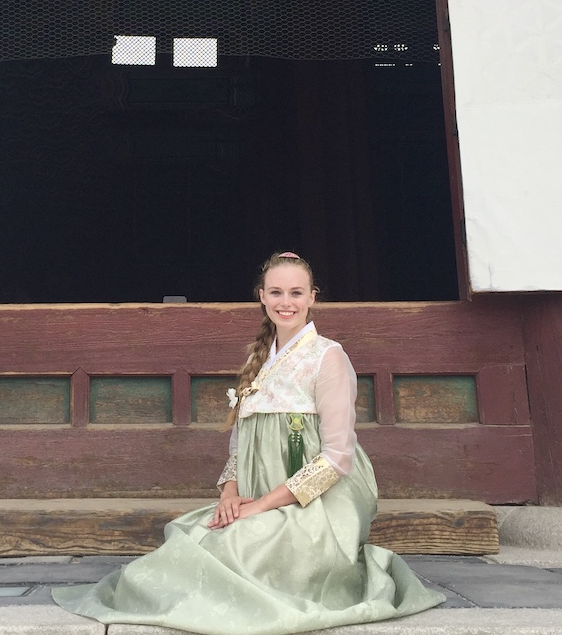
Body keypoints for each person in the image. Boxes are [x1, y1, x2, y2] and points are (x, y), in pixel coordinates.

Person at [53, 251, 444, 634]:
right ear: (262, 296)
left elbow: (337, 458)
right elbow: (241, 444)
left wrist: (260, 505)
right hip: (256, 495)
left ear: (312, 297)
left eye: (296, 293)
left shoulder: (327, 358)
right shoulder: (259, 361)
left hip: (315, 503)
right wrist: (230, 494)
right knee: (195, 535)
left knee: (234, 547)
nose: (286, 302)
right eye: (276, 292)